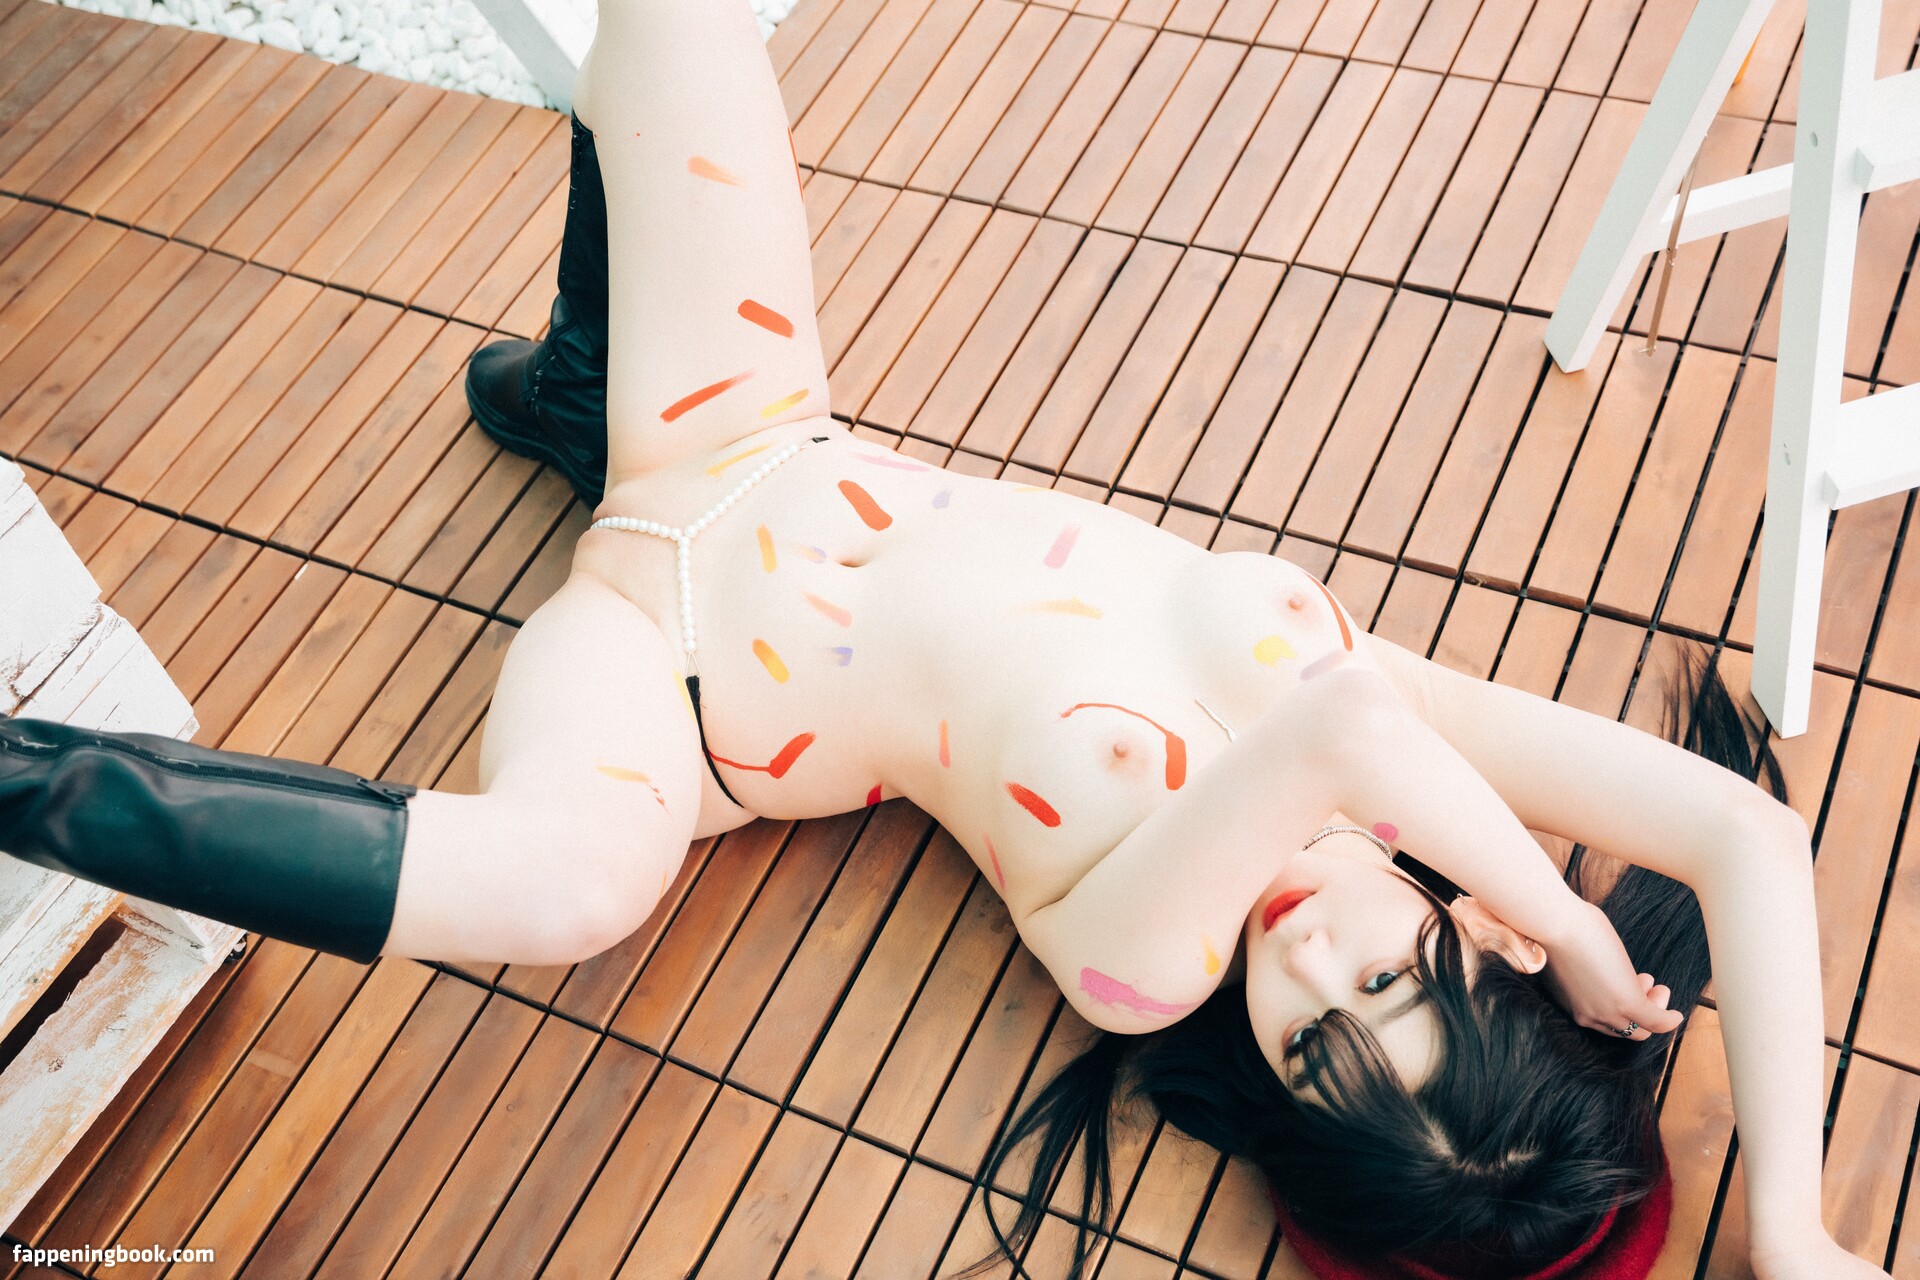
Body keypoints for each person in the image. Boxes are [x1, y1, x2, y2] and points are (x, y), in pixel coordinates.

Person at [0, 3, 1886, 1277]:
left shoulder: (1147, 965)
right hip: (743, 422)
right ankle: (584, 382)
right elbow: (1742, 836)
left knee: (570, 887)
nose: (1316, 973)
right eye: (1397, 984)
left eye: (1319, 1055)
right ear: (1477, 940)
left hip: (672, 685)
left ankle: (29, 781)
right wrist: (1793, 1233)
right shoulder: (1412, 764)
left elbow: (1336, 736)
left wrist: (1552, 925)